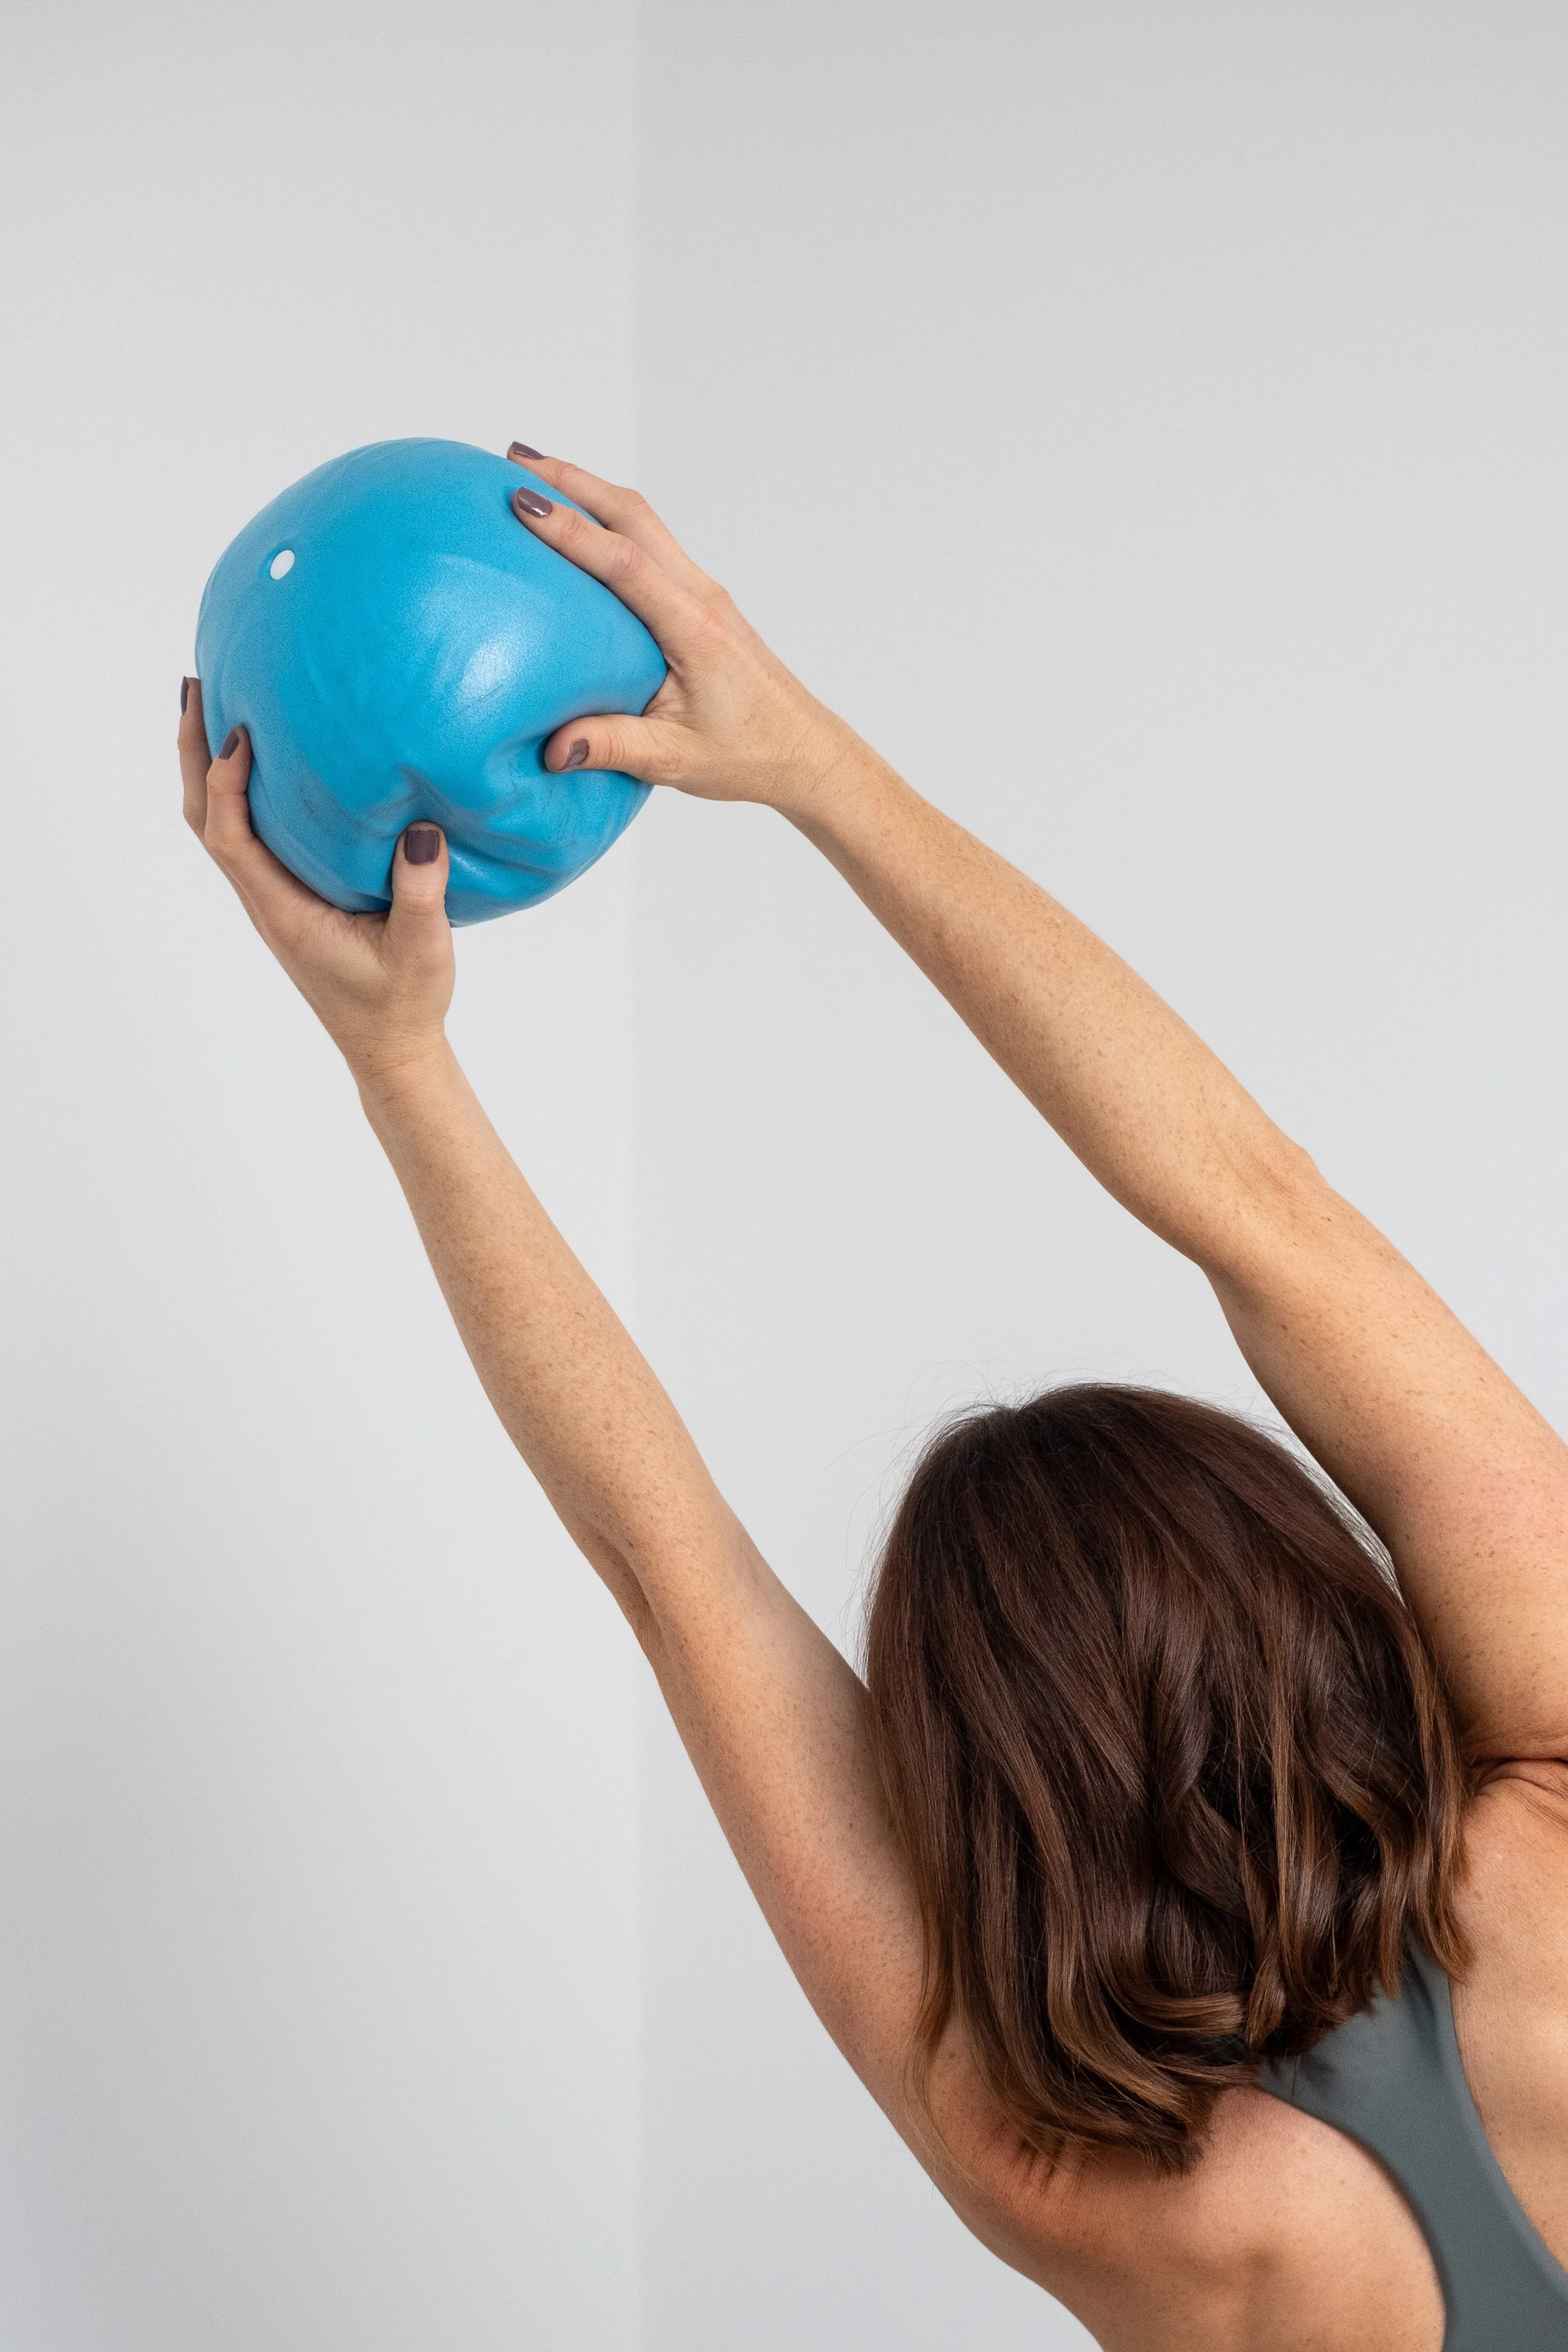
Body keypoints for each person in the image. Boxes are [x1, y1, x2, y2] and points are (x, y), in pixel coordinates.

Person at [179, 447, 1568, 2352]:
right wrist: (808, 759)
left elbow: (671, 1567)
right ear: (1323, 1600)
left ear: (969, 1780)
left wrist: (395, 1058)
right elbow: (1262, 1212)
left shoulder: (1062, 2174)